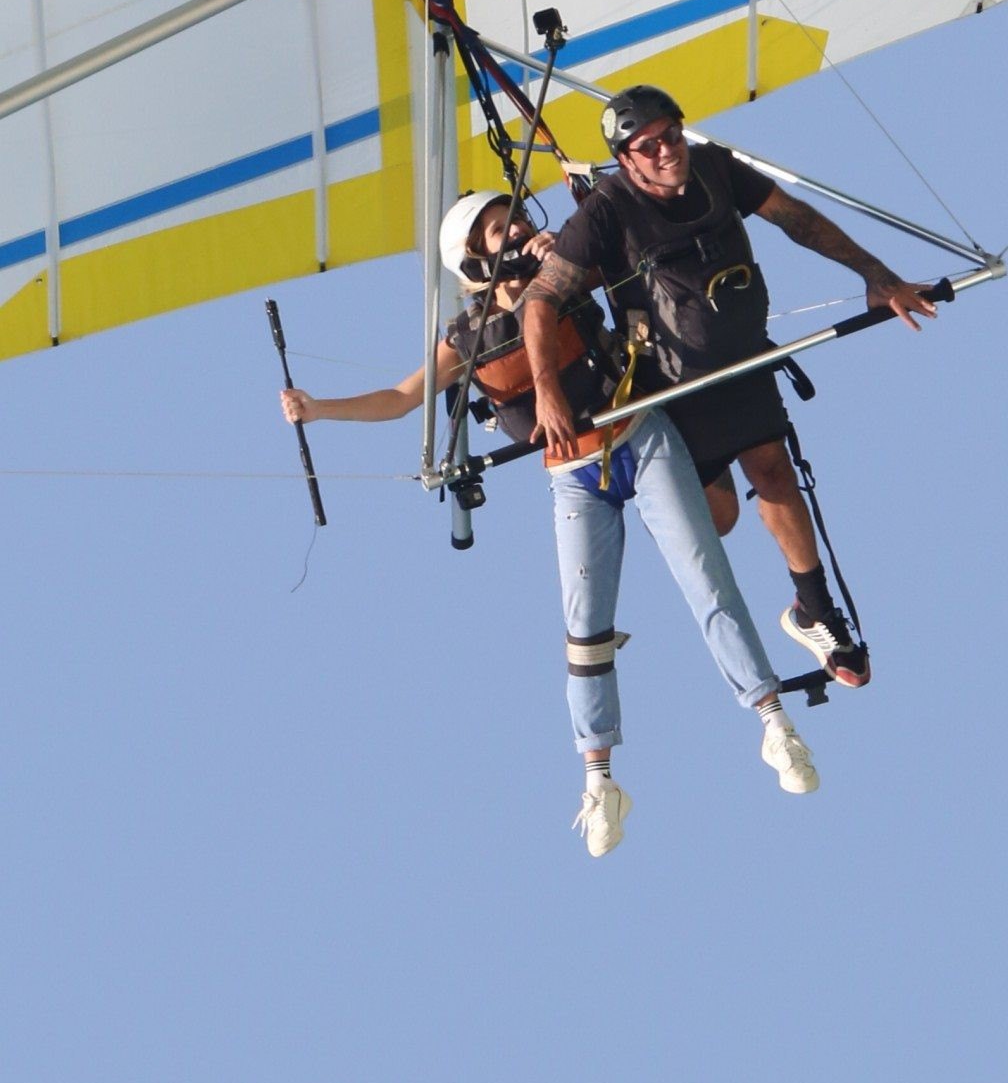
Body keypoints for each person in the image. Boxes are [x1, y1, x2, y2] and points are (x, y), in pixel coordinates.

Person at [280, 190, 821, 859]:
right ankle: (600, 782)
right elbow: (400, 397)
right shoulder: (466, 337)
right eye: (497, 230)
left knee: (704, 576)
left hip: (640, 434)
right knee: (585, 631)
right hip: (574, 477)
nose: (515, 230)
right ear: (473, 261)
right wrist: (319, 409)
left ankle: (774, 722)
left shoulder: (561, 273)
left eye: (514, 219)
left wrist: (563, 252)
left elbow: (629, 257)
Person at [523, 86, 938, 690]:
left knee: (773, 470)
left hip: (741, 359)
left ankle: (815, 612)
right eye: (648, 146)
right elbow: (540, 299)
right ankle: (696, 497)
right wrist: (547, 391)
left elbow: (797, 220)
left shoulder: (716, 168)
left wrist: (877, 274)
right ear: (626, 160)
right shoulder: (605, 210)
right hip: (671, 386)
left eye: (671, 134)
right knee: (716, 520)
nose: (667, 150)